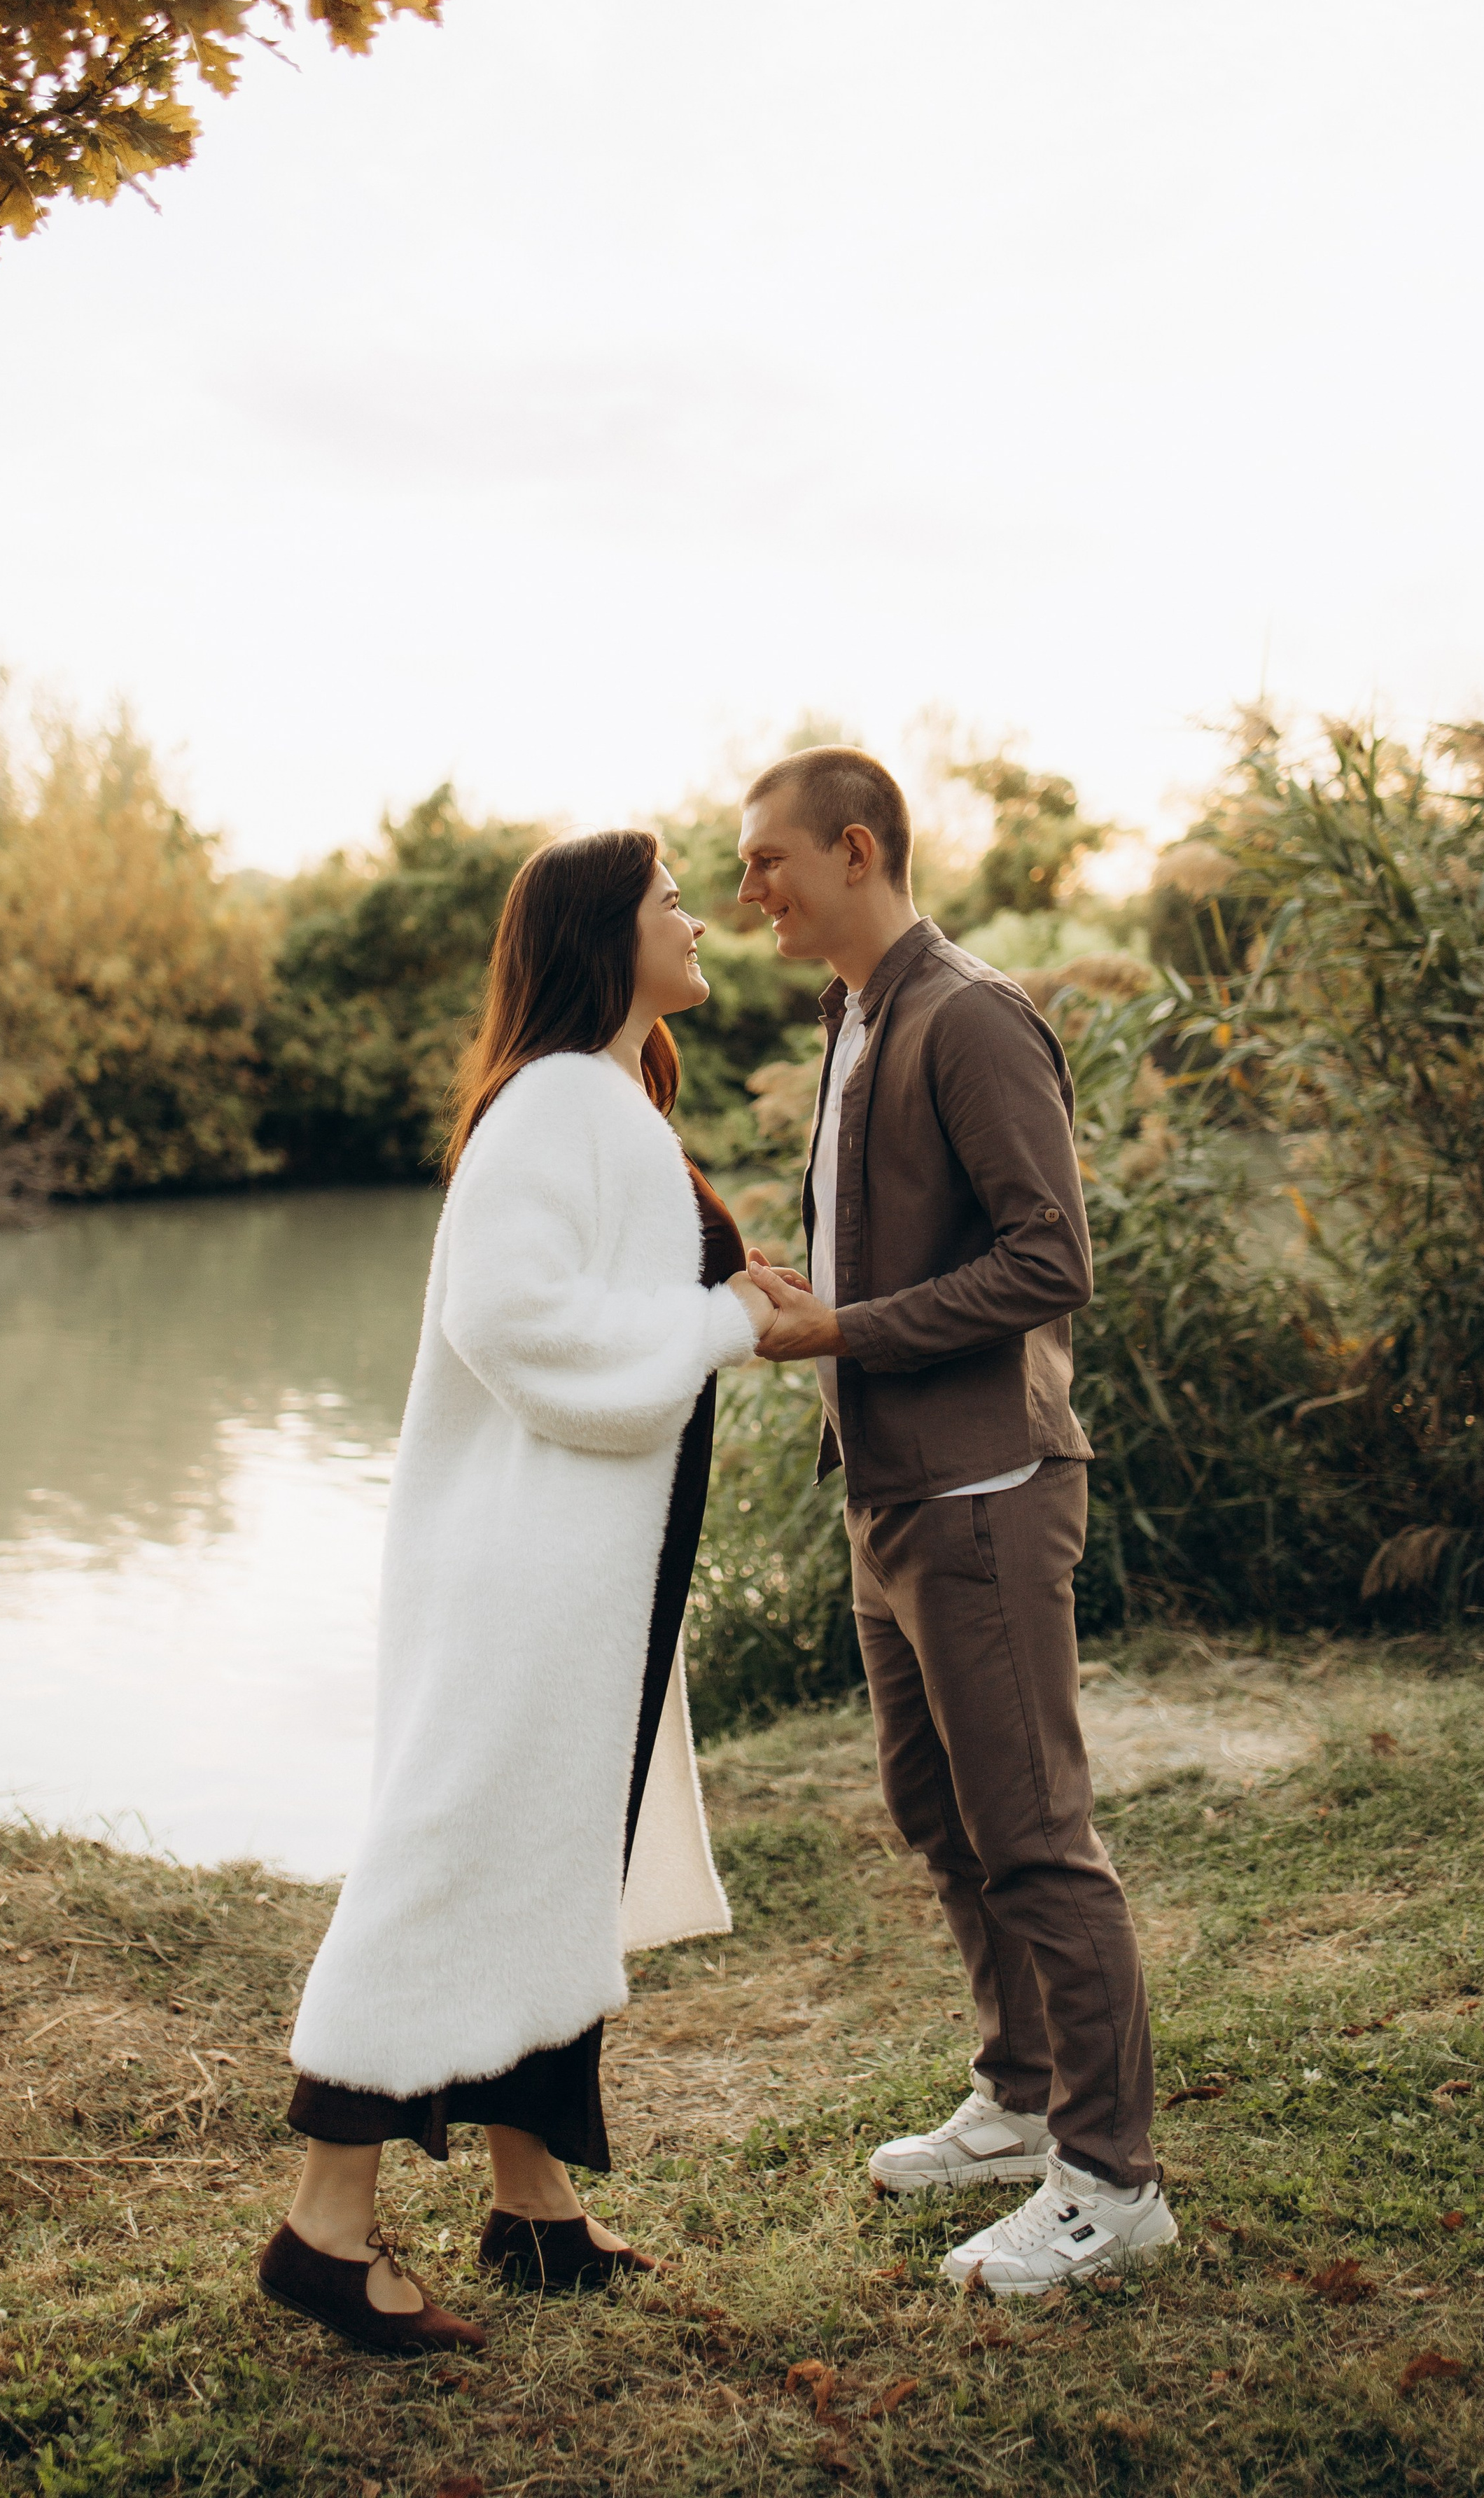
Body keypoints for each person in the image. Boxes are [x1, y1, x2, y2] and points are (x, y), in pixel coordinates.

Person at [258, 830, 776, 2355]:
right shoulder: (555, 1103)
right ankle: (322, 2225)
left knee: (553, 1860)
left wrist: (737, 1313)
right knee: (449, 1854)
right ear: (603, 938)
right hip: (526, 1570)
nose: (695, 919)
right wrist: (718, 1328)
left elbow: (619, 1303)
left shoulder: (608, 1097)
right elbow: (512, 1323)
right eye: (671, 899)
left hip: (587, 1563)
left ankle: (531, 2202)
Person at [737, 746, 1178, 2300]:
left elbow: (1048, 1263)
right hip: (887, 1495)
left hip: (986, 1493)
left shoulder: (968, 1015)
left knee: (1036, 1841)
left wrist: (839, 1334)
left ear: (854, 852)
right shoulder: (855, 1016)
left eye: (768, 863)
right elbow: (886, 1255)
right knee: (938, 1818)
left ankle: (1111, 2181)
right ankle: (1016, 2096)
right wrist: (808, 1306)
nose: (749, 894)